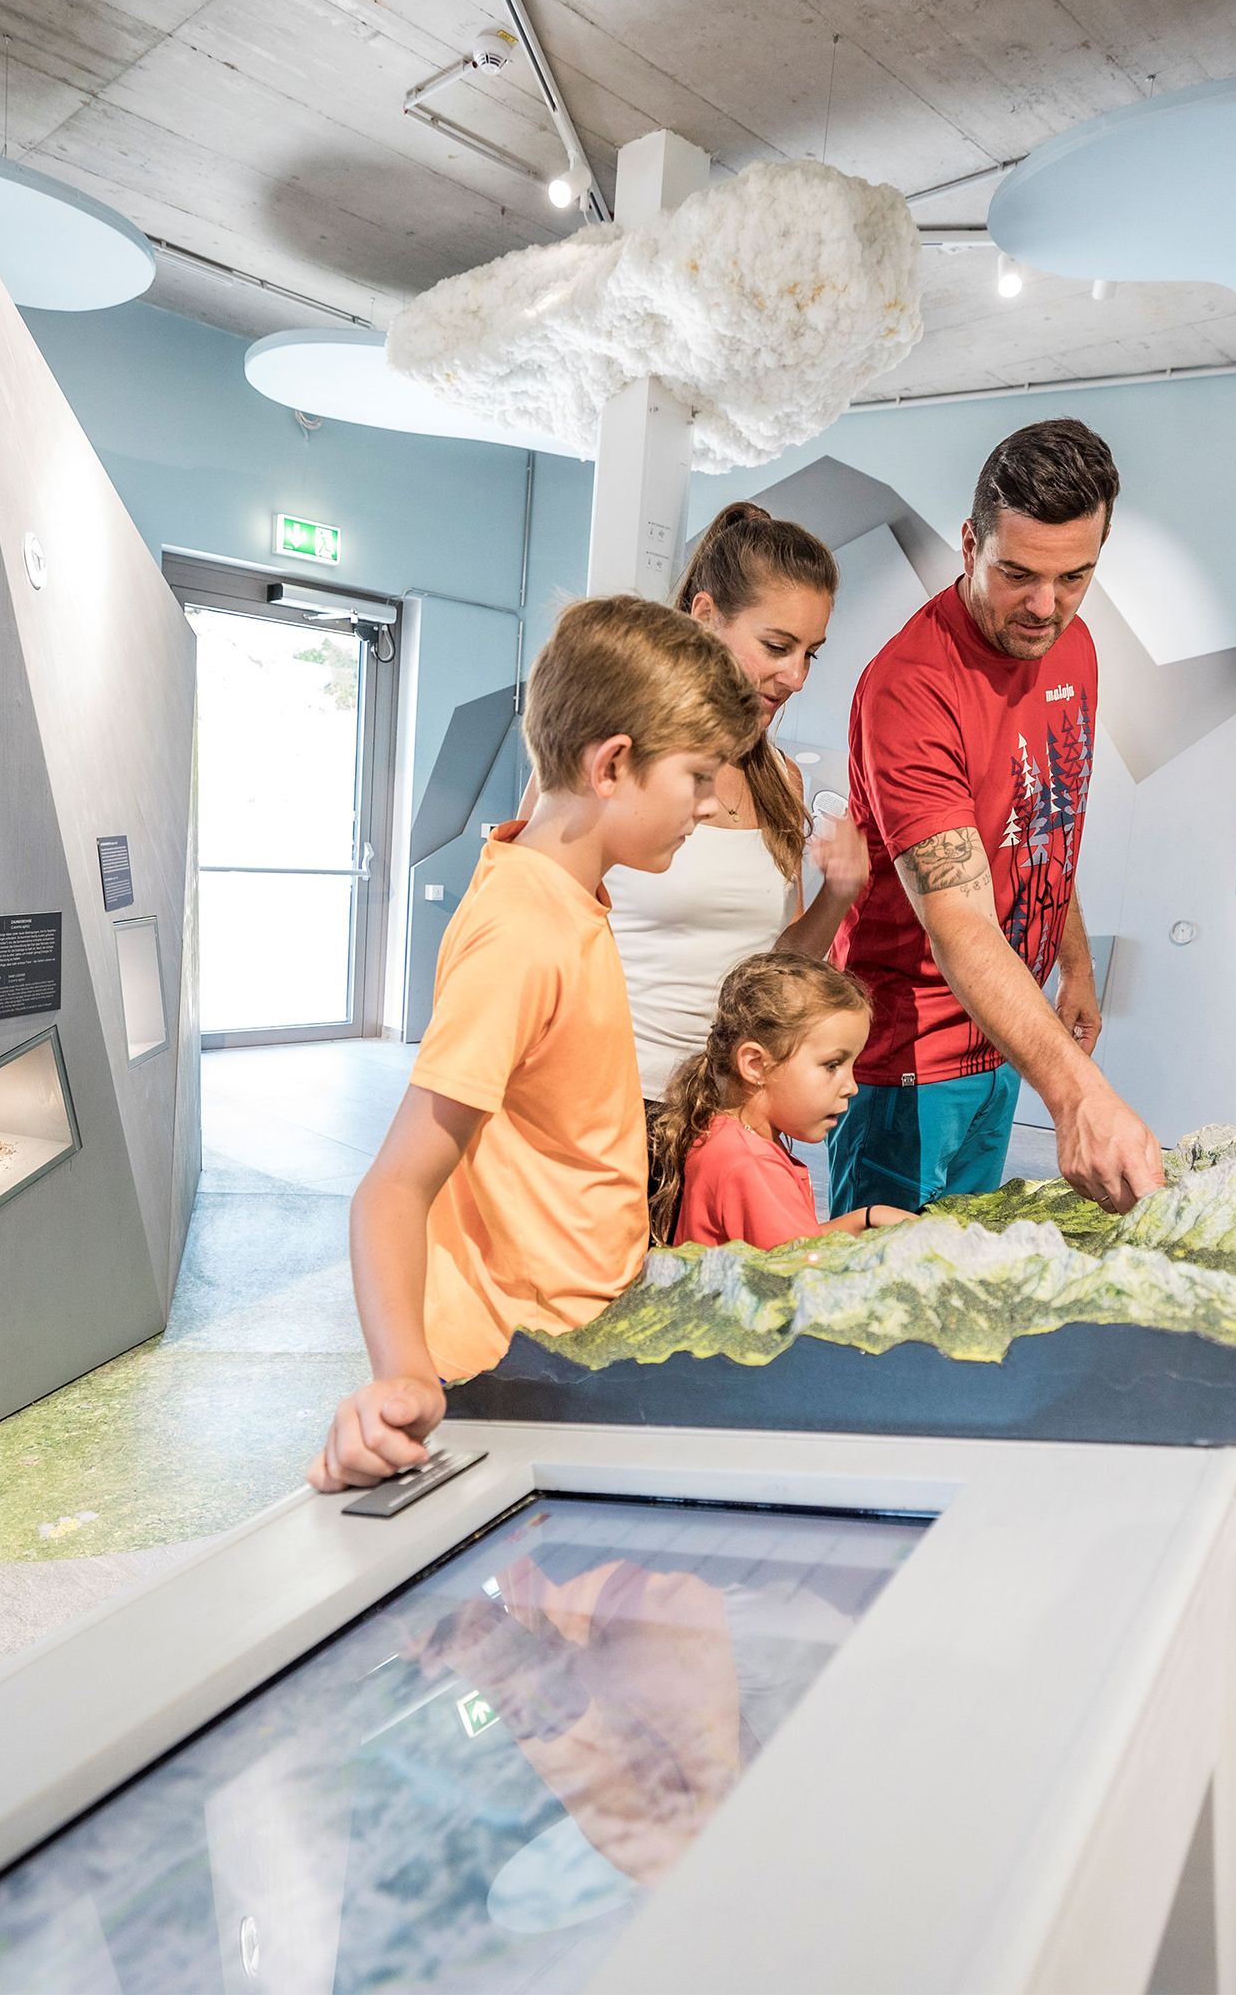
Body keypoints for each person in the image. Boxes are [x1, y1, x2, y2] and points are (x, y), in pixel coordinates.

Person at [308, 596, 764, 1492]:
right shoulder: (525, 932)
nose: (711, 806)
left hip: (578, 1338)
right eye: (698, 776)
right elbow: (392, 1188)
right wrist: (404, 1376)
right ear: (613, 764)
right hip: (519, 1369)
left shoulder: (555, 886)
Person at [827, 417, 1168, 1216]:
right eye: (1017, 574)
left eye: (1074, 577)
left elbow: (1045, 823)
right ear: (969, 544)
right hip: (909, 1062)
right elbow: (960, 923)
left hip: (1006, 1035)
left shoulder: (1073, 648)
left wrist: (1075, 969)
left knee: (968, 1269)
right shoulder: (911, 687)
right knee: (887, 1282)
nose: (1045, 607)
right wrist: (1077, 1094)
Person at [558, 502, 872, 1101]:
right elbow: (534, 925)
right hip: (614, 1100)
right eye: (776, 646)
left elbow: (776, 970)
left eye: (810, 653)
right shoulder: (608, 758)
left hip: (734, 1105)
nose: (797, 677)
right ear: (705, 616)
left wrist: (839, 894)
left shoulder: (779, 780)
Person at [648, 952, 916, 1251]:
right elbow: (797, 1268)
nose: (851, 1087)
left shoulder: (727, 1135)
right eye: (832, 1065)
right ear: (756, 1065)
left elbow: (790, 1246)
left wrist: (866, 1219)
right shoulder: (753, 1166)